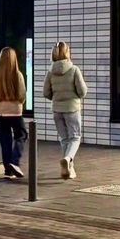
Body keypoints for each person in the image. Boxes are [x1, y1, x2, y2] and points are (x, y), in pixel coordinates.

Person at [43, 42, 87, 179]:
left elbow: (46, 93)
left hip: (57, 110)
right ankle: (68, 159)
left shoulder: (50, 72)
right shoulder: (74, 70)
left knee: (64, 139)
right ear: (67, 52)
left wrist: (56, 97)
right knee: (75, 137)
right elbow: (82, 91)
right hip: (72, 109)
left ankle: (69, 169)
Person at [0, 47, 27, 179]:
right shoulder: (17, 75)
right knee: (21, 135)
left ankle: (7, 170)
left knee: (5, 139)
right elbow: (22, 95)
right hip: (14, 112)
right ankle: (14, 161)